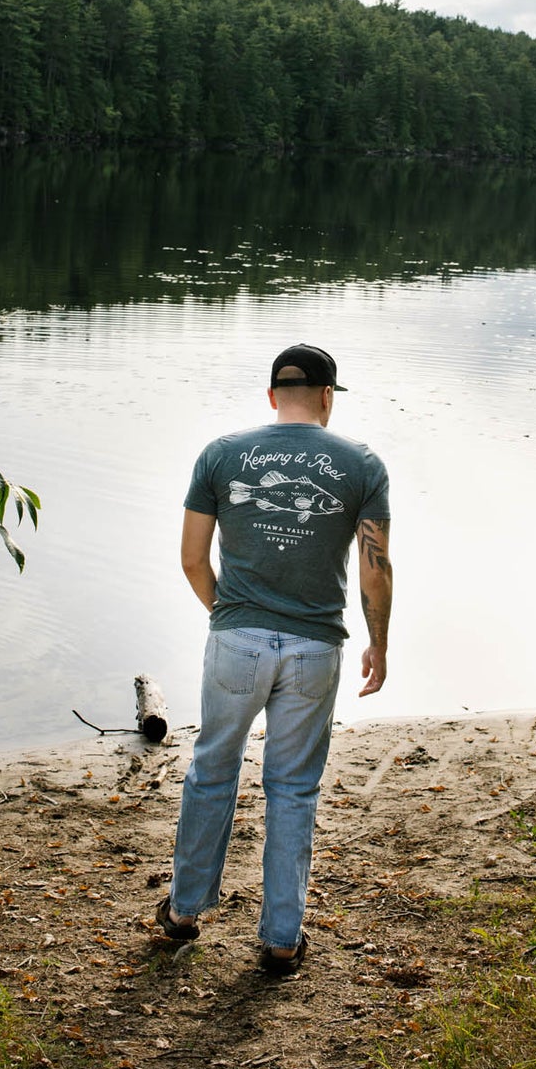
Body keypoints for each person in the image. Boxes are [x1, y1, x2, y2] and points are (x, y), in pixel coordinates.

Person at [157, 342, 392, 974]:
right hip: (317, 647)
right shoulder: (362, 463)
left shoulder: (222, 454)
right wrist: (381, 643)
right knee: (292, 787)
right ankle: (282, 939)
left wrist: (229, 618)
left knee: (212, 769)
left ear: (271, 396)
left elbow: (190, 560)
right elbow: (375, 570)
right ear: (325, 398)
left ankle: (183, 912)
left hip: (237, 638)